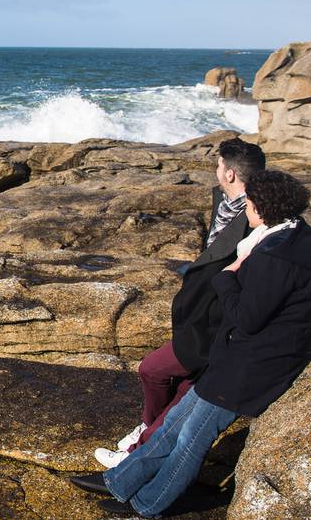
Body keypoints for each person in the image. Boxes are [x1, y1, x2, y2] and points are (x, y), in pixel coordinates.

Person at [70, 169, 311, 516]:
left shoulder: (274, 256)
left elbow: (249, 318)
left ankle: (149, 505)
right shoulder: (289, 235)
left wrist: (226, 278)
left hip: (251, 366)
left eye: (250, 203)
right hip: (235, 358)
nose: (246, 208)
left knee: (191, 439)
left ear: (264, 208)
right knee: (175, 422)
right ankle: (121, 481)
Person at [94, 137, 266, 468]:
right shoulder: (229, 203)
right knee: (184, 389)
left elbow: (241, 278)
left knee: (153, 370)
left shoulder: (254, 220)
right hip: (200, 316)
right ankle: (144, 438)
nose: (215, 169)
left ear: (230, 173)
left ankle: (137, 452)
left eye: (218, 164)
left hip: (213, 324)